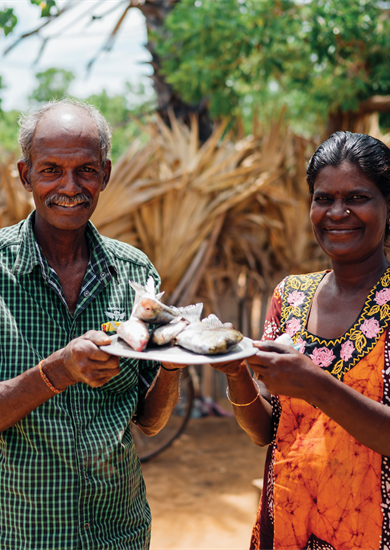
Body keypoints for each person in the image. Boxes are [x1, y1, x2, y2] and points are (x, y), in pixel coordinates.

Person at [0, 98, 183, 549]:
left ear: (105, 173)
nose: (70, 186)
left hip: (117, 533)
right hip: (19, 535)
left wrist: (173, 364)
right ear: (26, 175)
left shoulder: (135, 274)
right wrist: (58, 370)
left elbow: (149, 421)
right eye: (50, 170)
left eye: (85, 170)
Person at [214, 131, 390, 550]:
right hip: (288, 529)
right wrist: (237, 371)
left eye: (358, 198)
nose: (338, 212)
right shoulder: (290, 296)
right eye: (324, 198)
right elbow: (266, 430)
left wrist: (314, 383)